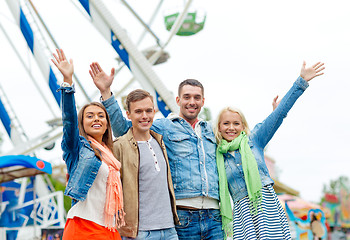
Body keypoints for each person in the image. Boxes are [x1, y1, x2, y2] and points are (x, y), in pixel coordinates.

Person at [89, 62, 224, 239]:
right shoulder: (163, 128)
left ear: (203, 101)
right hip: (184, 215)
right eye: (187, 97)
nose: (192, 102)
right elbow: (124, 128)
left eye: (197, 98)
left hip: (214, 215)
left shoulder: (212, 130)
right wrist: (106, 93)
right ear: (178, 100)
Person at [214, 61, 325, 240]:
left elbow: (279, 114)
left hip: (266, 207)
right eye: (226, 123)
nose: (231, 128)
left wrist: (301, 81)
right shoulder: (217, 154)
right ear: (219, 127)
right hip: (243, 215)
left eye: (236, 123)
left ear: (243, 126)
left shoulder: (254, 139)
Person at [51, 49, 124, 240]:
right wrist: (67, 81)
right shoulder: (76, 149)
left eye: (101, 116)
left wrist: (106, 92)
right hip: (84, 225)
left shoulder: (111, 154)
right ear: (82, 122)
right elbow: (68, 121)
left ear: (107, 123)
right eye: (89, 116)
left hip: (109, 227)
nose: (96, 119)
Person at [107, 88, 180, 239]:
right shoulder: (119, 146)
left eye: (148, 111)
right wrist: (106, 92)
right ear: (128, 114)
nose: (144, 116)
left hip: (170, 230)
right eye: (138, 111)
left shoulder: (161, 141)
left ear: (154, 112)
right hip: (140, 233)